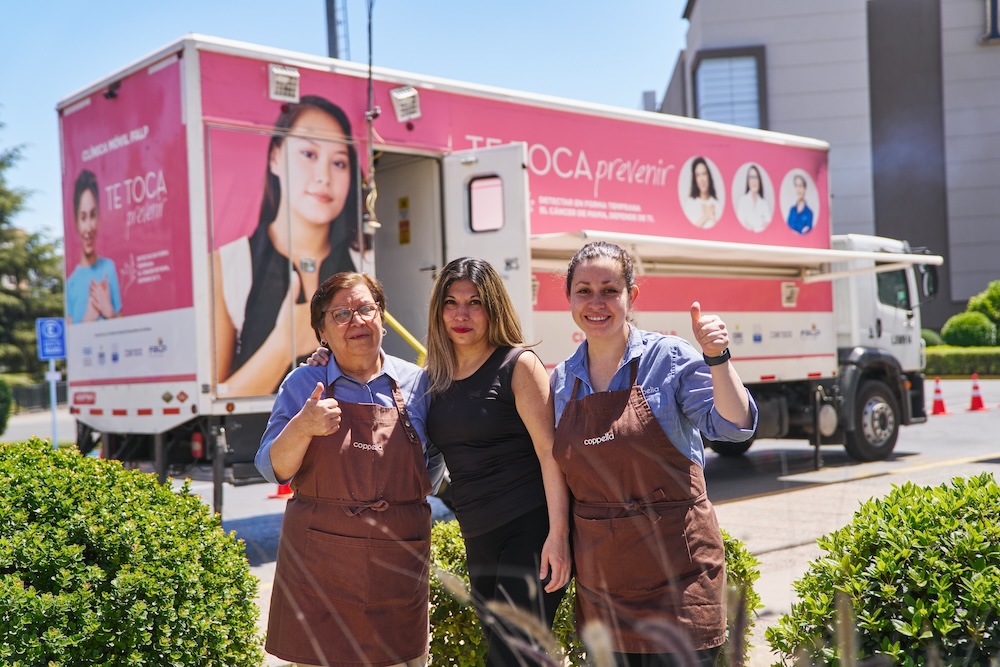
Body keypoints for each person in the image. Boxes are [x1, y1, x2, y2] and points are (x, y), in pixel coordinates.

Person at [550, 241, 757, 667]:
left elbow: (733, 426)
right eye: (584, 291)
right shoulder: (560, 382)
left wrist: (718, 357)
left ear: (632, 295)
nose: (597, 303)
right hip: (603, 581)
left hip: (679, 578)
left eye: (610, 290)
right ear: (568, 298)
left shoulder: (668, 358)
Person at [255, 272, 446, 667]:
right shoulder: (304, 382)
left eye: (365, 309)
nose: (357, 321)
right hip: (320, 566)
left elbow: (434, 463)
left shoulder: (419, 383)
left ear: (382, 317)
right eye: (341, 314)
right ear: (321, 332)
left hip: (397, 560)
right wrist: (303, 426)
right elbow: (273, 468)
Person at [424, 257, 571, 666]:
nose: (462, 314)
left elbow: (551, 455)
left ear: (493, 308)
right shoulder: (435, 375)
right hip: (478, 536)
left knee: (511, 656)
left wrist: (558, 537)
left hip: (530, 530)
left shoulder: (517, 365)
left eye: (475, 303)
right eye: (451, 302)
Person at [214, 95, 360, 397]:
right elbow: (217, 394)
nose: (324, 176)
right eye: (308, 153)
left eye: (339, 162)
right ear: (275, 157)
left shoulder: (365, 262)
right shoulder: (226, 263)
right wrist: (284, 344)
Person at [66, 169, 121, 324]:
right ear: (76, 222)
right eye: (83, 217)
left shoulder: (109, 268)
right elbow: (72, 341)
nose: (89, 227)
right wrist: (88, 318)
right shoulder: (70, 284)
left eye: (93, 215)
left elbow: (124, 327)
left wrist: (109, 312)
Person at [682, 157, 721, 229]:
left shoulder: (716, 204)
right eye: (698, 175)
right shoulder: (690, 203)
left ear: (708, 176)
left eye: (704, 174)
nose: (702, 179)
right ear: (695, 179)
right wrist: (706, 216)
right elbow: (687, 230)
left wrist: (711, 216)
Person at [735, 164, 771, 232]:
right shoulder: (742, 201)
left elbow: (768, 224)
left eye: (756, 177)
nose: (754, 181)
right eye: (751, 177)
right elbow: (740, 222)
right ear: (748, 181)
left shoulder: (764, 204)